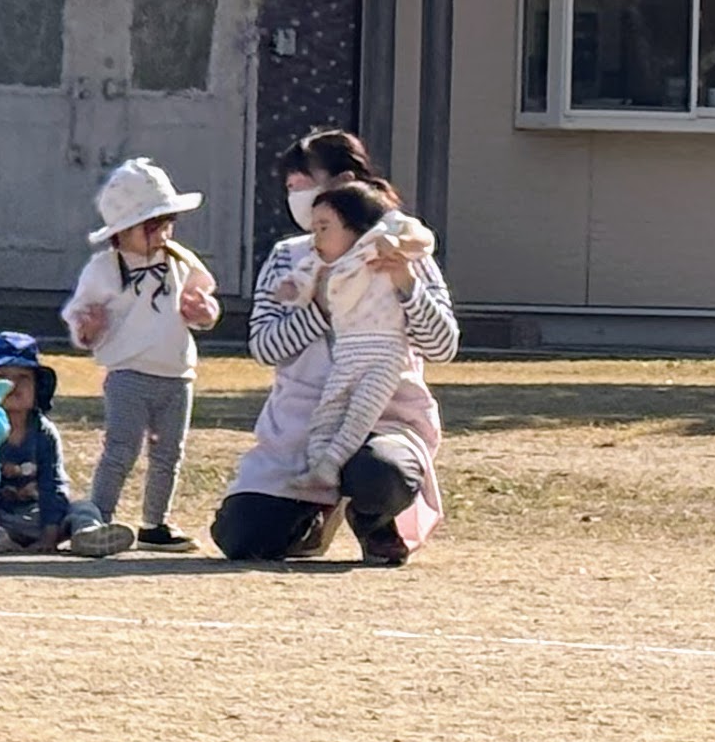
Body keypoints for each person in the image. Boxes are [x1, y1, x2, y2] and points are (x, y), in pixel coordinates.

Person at [218, 132, 455, 565]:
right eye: (288, 189)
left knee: (377, 473)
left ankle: (374, 521)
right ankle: (308, 521)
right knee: (241, 536)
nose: (295, 198)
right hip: (302, 422)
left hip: (383, 414)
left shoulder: (401, 248)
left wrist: (405, 284)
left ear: (342, 182)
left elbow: (443, 345)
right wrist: (321, 308)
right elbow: (266, 347)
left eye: (302, 184)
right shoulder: (289, 257)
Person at [62, 159, 221, 549]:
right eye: (151, 226)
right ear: (121, 232)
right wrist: (90, 328)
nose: (162, 233)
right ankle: (99, 518)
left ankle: (156, 523)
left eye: (167, 223)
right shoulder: (103, 269)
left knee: (169, 452)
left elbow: (205, 301)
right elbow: (80, 319)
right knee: (121, 448)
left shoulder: (180, 261)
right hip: (128, 372)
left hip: (177, 371)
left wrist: (205, 314)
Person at [0, 330, 128, 556]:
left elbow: (52, 484)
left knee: (84, 508)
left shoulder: (43, 432)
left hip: (40, 516)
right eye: (1, 377)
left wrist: (50, 534)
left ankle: (87, 535)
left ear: (38, 387)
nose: (13, 385)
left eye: (23, 378)